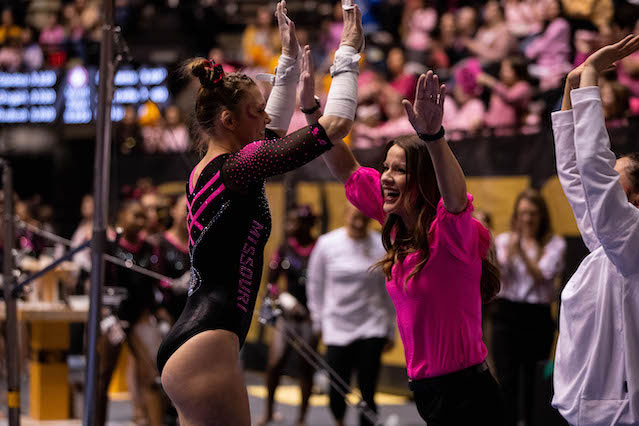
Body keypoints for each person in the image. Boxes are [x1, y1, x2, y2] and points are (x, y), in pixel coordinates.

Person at [157, 2, 363, 425]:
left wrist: (287, 61)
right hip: (206, 343)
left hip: (198, 340)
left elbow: (270, 136)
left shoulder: (216, 168)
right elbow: (336, 123)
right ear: (229, 120)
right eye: (256, 111)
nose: (267, 118)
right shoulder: (237, 168)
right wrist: (348, 52)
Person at [300, 39, 504, 423]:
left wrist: (433, 138)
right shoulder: (397, 225)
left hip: (467, 395)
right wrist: (313, 111)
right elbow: (345, 166)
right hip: (427, 393)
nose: (387, 178)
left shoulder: (451, 233)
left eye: (398, 170)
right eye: (386, 167)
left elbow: (456, 198)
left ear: (422, 182)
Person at [551, 34, 639, 426]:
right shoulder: (607, 245)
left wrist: (590, 77)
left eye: (616, 177)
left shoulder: (632, 243)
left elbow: (592, 169)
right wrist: (572, 86)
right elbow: (573, 172)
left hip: (617, 414)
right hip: (585, 411)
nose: (603, 180)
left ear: (635, 199)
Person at [306, 202, 395, 426]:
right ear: (345, 214)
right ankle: (339, 421)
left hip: (372, 325)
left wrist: (390, 329)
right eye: (354, 214)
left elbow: (389, 289)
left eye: (363, 216)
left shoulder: (381, 246)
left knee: (368, 387)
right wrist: (318, 321)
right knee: (338, 387)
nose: (358, 220)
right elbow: (315, 285)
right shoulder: (327, 244)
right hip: (337, 326)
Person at [492, 189, 566, 426]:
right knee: (507, 377)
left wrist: (522, 251)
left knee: (533, 381)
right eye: (523, 213)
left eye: (532, 214)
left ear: (541, 216)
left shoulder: (553, 243)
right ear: (516, 215)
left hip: (536, 317)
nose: (527, 219)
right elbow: (498, 275)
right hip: (507, 314)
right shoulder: (504, 241)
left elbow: (542, 275)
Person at [97, 200, 165, 426]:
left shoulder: (149, 248)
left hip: (140, 315)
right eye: (135, 216)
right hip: (112, 316)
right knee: (101, 377)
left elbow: (154, 285)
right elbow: (96, 283)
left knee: (153, 375)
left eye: (142, 217)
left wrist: (156, 314)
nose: (140, 221)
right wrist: (106, 315)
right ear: (122, 215)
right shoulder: (109, 245)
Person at [259, 205, 318, 426]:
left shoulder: (318, 248)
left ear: (308, 225)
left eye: (296, 223)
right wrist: (283, 298)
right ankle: (268, 411)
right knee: (275, 363)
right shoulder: (284, 248)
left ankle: (302, 418)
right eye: (290, 222)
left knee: (306, 366)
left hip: (310, 316)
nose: (291, 227)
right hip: (288, 315)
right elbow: (271, 283)